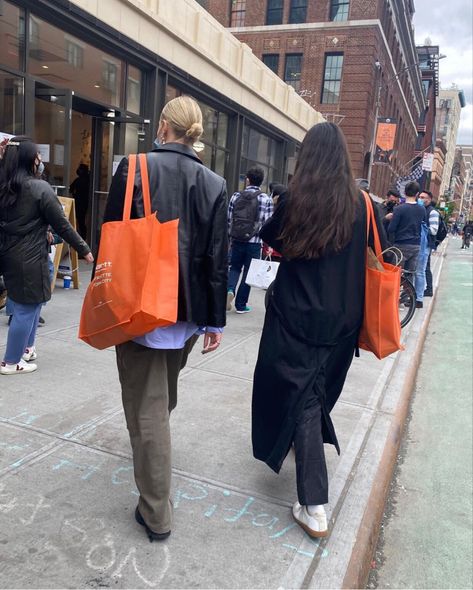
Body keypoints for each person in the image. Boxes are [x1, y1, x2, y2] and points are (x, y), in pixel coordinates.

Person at [252, 122, 387, 538]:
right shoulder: (364, 203)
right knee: (319, 391)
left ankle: (314, 505)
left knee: (305, 399)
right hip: (345, 321)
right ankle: (298, 444)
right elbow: (377, 248)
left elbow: (268, 236)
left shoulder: (295, 201)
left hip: (296, 317)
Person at [102, 96, 228, 542]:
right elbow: (217, 257)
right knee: (162, 394)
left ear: (163, 126)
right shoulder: (214, 182)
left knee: (147, 408)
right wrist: (214, 322)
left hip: (139, 306)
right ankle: (153, 453)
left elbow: (110, 240)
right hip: (187, 311)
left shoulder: (133, 168)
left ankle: (156, 512)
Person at [0, 136, 93, 375]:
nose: (40, 160)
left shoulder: (6, 185)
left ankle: (26, 349)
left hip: (12, 254)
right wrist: (84, 249)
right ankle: (11, 361)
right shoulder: (39, 188)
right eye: (37, 156)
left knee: (33, 304)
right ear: (29, 159)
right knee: (26, 308)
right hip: (30, 257)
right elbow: (63, 225)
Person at [227, 167, 273, 313]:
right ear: (262, 181)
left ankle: (229, 290)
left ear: (247, 179)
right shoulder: (266, 199)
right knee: (248, 273)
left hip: (237, 240)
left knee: (234, 268)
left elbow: (229, 219)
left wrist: (230, 237)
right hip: (254, 243)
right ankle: (241, 305)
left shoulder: (236, 196)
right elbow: (268, 223)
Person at [387, 181, 426, 275]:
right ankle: (409, 290)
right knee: (410, 275)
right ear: (417, 194)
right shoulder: (422, 209)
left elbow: (391, 229)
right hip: (416, 245)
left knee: (395, 274)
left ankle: (396, 290)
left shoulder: (399, 209)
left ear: (404, 192)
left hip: (400, 245)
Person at [416, 190, 439, 299]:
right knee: (422, 268)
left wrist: (422, 228)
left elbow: (434, 230)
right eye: (419, 196)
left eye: (423, 197)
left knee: (422, 269)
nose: (420, 199)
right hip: (419, 243)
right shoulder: (420, 210)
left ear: (429, 199)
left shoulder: (432, 212)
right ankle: (424, 290)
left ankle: (425, 292)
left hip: (426, 244)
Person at [69, 163, 90, 239]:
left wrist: (75, 195)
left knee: (80, 220)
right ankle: (83, 236)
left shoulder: (79, 180)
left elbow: (71, 189)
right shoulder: (89, 179)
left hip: (80, 203)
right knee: (81, 220)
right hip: (85, 202)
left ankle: (82, 236)